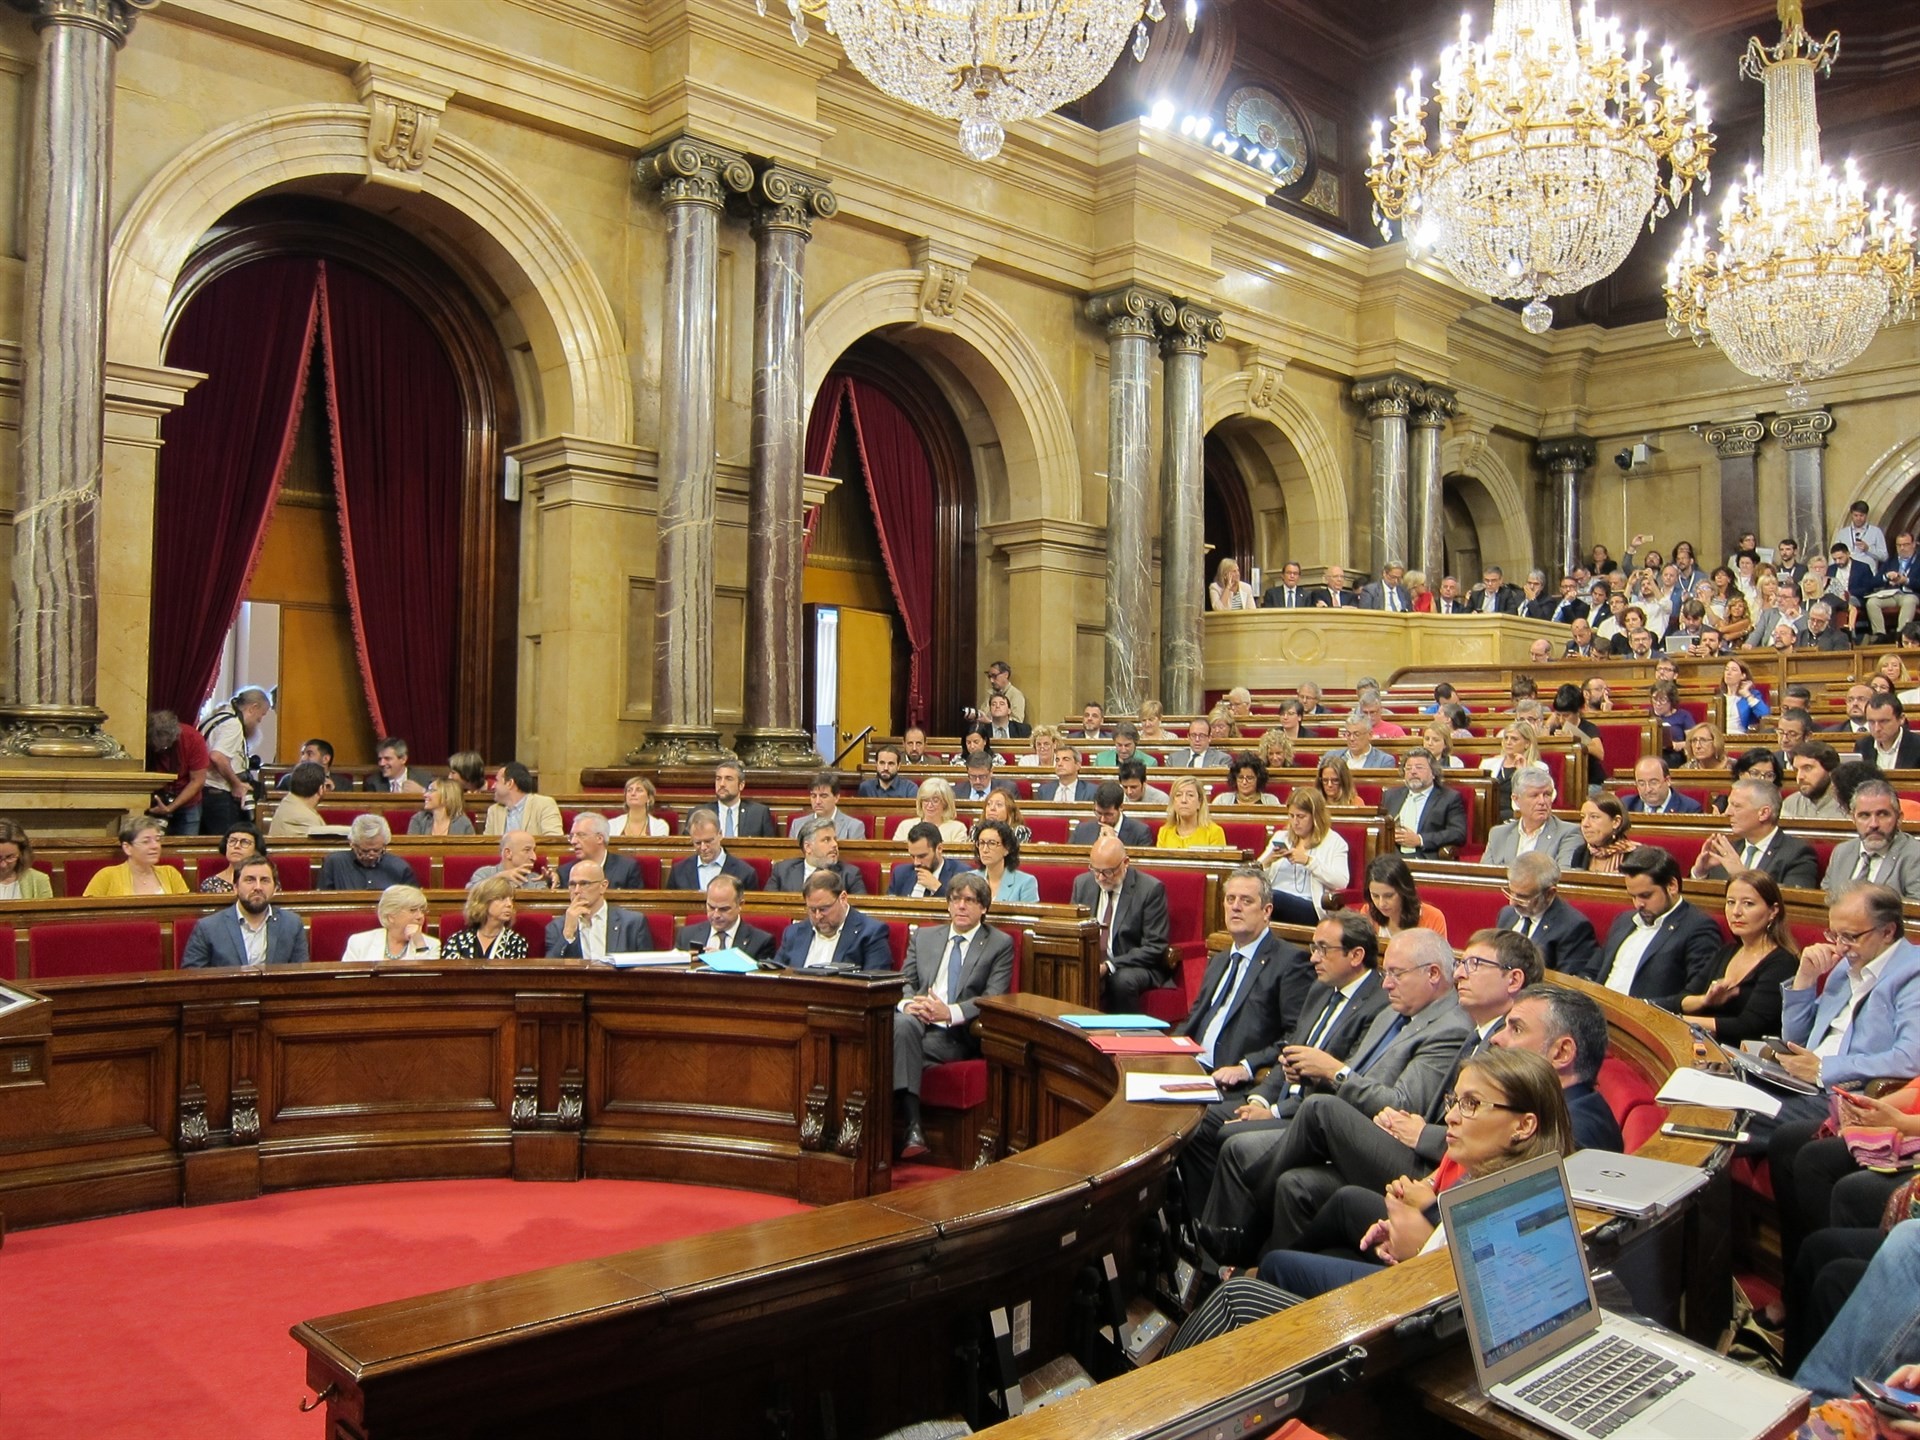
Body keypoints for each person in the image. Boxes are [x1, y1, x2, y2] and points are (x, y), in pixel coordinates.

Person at [1247, 932, 1558, 1264]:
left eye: (1474, 964)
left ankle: (1248, 1220)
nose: (1461, 973)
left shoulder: (1469, 1035)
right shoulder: (1473, 1033)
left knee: (1320, 1110)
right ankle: (1270, 1270)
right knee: (1297, 1183)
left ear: (1513, 979)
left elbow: (1478, 1129)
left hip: (1435, 1169)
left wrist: (1423, 1136)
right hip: (1421, 1155)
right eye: (1461, 963)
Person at [1193, 928, 1473, 1265]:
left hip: (1394, 1147)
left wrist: (1333, 1073)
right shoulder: (1392, 1013)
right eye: (1386, 973)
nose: (1386, 984)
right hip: (1348, 1129)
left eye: (1397, 974)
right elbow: (1353, 1077)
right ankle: (1258, 1269)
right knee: (1290, 1178)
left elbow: (1400, 1105)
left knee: (1317, 1110)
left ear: (1433, 974)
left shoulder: (1449, 1027)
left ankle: (1245, 1231)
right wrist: (1312, 1074)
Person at [892, 870, 1014, 1158]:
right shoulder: (924, 936)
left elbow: (993, 998)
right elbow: (904, 982)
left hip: (956, 1032)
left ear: (984, 907)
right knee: (903, 1026)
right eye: (956, 899)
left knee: (891, 1048)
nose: (961, 906)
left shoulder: (999, 944)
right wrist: (910, 1004)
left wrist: (949, 1012)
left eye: (970, 900)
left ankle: (903, 1127)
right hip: (916, 1019)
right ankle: (912, 1128)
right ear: (947, 904)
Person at [1179, 867, 1312, 1111]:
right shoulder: (1220, 959)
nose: (1236, 907)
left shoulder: (1290, 962)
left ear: (1266, 911)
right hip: (1191, 1069)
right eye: (1230, 899)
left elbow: (1296, 1036)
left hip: (1231, 1083)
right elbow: (1195, 1018)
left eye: (1246, 900)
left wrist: (1248, 1067)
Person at [1578, 845, 1723, 1008]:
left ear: (1672, 886)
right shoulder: (1624, 920)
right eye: (1633, 896)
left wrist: (1639, 1007)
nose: (1638, 904)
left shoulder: (1698, 928)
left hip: (1645, 1022)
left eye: (1646, 895)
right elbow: (1592, 971)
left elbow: (1695, 997)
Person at [1679, 870, 1798, 1044]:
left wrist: (1680, 1020)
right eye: (1730, 902)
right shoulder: (1726, 952)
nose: (1736, 912)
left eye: (1748, 904)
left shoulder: (1783, 962)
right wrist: (1704, 1000)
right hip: (1707, 1046)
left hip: (1747, 1059)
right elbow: (1682, 998)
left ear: (1773, 911)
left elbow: (1749, 1026)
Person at [1074, 835, 1170, 1011]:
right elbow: (1073, 931)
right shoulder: (1083, 884)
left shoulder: (1150, 889)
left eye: (1108, 872)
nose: (1101, 878)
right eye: (1095, 870)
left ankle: (1125, 1036)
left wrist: (1109, 966)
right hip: (1092, 962)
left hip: (1134, 965)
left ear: (1125, 862)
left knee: (1121, 980)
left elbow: (1155, 947)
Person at [177, 853, 307, 970]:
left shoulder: (292, 924)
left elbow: (301, 976)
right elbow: (192, 977)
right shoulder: (208, 928)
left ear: (275, 889)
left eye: (264, 880)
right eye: (249, 880)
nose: (257, 887)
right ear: (235, 888)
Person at [1691, 777, 1822, 888]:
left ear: (1764, 813)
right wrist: (1700, 873)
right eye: (1729, 805)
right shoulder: (1728, 850)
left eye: (1736, 806)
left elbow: (1794, 906)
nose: (1728, 812)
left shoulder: (1797, 853)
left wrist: (1743, 876)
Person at [1497, 852, 1598, 977]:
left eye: (1523, 897)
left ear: (1549, 893)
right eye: (1511, 893)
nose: (1512, 903)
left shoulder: (1574, 927)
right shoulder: (1507, 914)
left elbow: (1567, 986)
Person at [1258, 788, 1349, 926]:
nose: (1295, 822)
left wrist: (1308, 861)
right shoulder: (1281, 837)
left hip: (1310, 905)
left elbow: (1341, 881)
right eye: (1291, 816)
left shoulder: (1334, 842)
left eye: (1300, 817)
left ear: (1315, 817)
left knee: (1271, 897)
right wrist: (1267, 862)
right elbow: (1254, 875)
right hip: (1274, 901)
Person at [775, 870, 893, 973]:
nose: (818, 916)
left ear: (843, 898)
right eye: (812, 909)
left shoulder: (871, 933)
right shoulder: (793, 933)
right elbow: (775, 976)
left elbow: (874, 987)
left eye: (823, 909)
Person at [197, 686, 272, 833]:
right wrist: (236, 784)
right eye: (261, 715)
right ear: (253, 708)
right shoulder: (232, 724)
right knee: (225, 844)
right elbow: (217, 757)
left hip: (206, 792)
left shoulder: (216, 717)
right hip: (220, 795)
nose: (259, 721)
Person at [543, 861, 651, 959]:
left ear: (603, 886)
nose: (576, 891)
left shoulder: (633, 923)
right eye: (572, 884)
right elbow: (549, 972)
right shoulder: (556, 927)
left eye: (584, 884)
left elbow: (647, 969)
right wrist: (567, 934)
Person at [1482, 763, 1580, 868]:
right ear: (1516, 799)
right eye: (1534, 795)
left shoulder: (1568, 833)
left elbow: (1564, 875)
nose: (1542, 801)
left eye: (1547, 794)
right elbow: (1486, 876)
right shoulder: (1498, 834)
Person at [1378, 750, 1466, 860]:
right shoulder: (1391, 795)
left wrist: (1420, 840)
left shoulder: (1449, 798)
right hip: (1392, 857)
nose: (1413, 772)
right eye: (1408, 768)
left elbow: (1457, 833)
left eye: (1419, 767)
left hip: (1425, 857)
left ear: (1433, 773)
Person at [675, 874, 777, 959]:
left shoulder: (760, 941)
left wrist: (725, 960)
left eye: (724, 909)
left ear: (740, 905)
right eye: (711, 907)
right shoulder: (686, 935)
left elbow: (761, 979)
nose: (716, 915)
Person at [84, 815, 189, 897]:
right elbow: (88, 914)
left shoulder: (170, 874)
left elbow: (185, 911)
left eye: (157, 840)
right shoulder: (107, 875)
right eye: (146, 841)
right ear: (127, 847)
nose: (155, 846)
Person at [335, 883, 440, 963]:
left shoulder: (432, 945)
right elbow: (347, 981)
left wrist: (419, 944)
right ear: (391, 916)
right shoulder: (360, 942)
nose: (420, 916)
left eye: (422, 910)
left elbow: (427, 983)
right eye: (412, 910)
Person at [146, 709, 209, 835]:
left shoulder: (192, 738)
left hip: (188, 802)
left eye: (165, 747)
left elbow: (198, 781)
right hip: (155, 800)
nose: (161, 750)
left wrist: (170, 808)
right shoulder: (144, 738)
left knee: (186, 846)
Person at [769, 815, 868, 894]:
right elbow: (768, 908)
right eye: (826, 840)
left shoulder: (850, 874)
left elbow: (860, 912)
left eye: (835, 839)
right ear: (808, 847)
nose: (835, 844)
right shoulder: (782, 871)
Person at [440, 875, 531, 960]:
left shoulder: (516, 943)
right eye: (501, 898)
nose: (509, 904)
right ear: (483, 903)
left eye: (511, 899)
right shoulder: (458, 941)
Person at [666, 810, 758, 892]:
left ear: (720, 834)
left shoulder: (745, 873)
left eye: (708, 841)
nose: (703, 847)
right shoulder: (678, 871)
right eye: (698, 843)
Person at [1365, 853, 1446, 941]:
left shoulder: (1433, 917)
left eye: (1389, 896)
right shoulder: (1367, 912)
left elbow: (1438, 954)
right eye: (1375, 896)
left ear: (1404, 891)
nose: (1381, 904)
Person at [558, 811, 641, 889]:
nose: (573, 841)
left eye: (581, 835)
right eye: (572, 836)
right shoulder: (565, 872)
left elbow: (634, 903)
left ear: (600, 838)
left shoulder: (627, 868)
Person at [695, 759, 775, 839]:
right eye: (718, 779)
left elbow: (770, 848)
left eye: (729, 779)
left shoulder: (759, 814)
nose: (722, 784)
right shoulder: (700, 813)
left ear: (741, 785)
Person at [887, 820, 966, 897]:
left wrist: (937, 887)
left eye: (922, 856)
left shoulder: (960, 874)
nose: (916, 863)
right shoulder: (900, 874)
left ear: (939, 848)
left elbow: (962, 906)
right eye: (913, 856)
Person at [483, 762, 562, 837]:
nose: (493, 786)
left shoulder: (544, 805)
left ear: (509, 783)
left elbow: (553, 841)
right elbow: (487, 846)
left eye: (497, 781)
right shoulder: (494, 811)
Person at [1069, 779, 1154, 846]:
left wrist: (1114, 843)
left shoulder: (1140, 832)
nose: (1102, 820)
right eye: (1098, 813)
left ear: (1121, 807)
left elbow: (1139, 867)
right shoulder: (1081, 830)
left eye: (1108, 814)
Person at [972, 818, 1038, 904]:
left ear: (1007, 848)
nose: (985, 850)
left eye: (992, 843)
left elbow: (1030, 916)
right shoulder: (970, 879)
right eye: (981, 843)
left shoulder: (1026, 882)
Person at [1568, 792, 1637, 875]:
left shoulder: (1635, 856)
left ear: (1616, 822)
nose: (1585, 824)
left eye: (1594, 817)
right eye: (1583, 817)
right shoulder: (1581, 852)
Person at [467, 829, 556, 890]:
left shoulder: (535, 879)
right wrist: (498, 878)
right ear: (508, 853)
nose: (534, 857)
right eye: (527, 850)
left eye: (534, 850)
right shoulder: (484, 874)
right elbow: (470, 894)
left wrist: (549, 882)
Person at [1157, 775, 1227, 850]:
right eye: (1178, 795)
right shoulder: (1164, 832)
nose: (1183, 800)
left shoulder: (1214, 832)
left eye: (1190, 795)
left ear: (1199, 802)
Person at [892, 776, 968, 844]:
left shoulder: (957, 829)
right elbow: (895, 856)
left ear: (945, 803)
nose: (929, 805)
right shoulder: (905, 826)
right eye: (925, 800)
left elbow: (957, 859)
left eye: (935, 800)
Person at [1621, 754, 1700, 815]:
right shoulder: (1625, 805)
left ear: (1668, 781)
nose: (1648, 789)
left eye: (1653, 782)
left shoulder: (1690, 809)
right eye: (1641, 784)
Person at [199, 823, 267, 893]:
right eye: (232, 841)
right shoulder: (210, 884)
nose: (237, 846)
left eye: (245, 842)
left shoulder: (266, 881)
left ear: (256, 849)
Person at [1858, 695, 1920, 770]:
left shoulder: (1917, 745)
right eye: (1871, 722)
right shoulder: (1863, 745)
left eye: (1884, 721)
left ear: (1901, 719)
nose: (1877, 728)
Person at [406, 777, 474, 837]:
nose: (425, 795)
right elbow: (411, 849)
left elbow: (471, 850)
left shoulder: (463, 823)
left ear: (446, 797)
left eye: (431, 790)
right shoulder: (419, 820)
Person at [0, 820, 51, 900]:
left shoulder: (38, 880)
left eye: (10, 857)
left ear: (21, 854)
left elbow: (47, 911)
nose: (3, 865)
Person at [1720, 657, 1771, 735]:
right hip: (1718, 737)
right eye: (1726, 669)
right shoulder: (1719, 697)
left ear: (1743, 676)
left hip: (1739, 736)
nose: (1728, 673)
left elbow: (1765, 714)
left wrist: (1747, 695)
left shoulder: (1751, 695)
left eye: (1733, 670)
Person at [363, 738, 430, 793]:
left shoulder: (424, 778)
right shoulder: (372, 783)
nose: (381, 763)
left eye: (387, 758)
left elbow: (439, 799)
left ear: (403, 759)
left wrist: (423, 791)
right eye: (380, 759)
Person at [1166, 718, 1231, 769]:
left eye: (1202, 736)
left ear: (1209, 738)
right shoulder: (1173, 759)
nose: (1197, 739)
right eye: (1193, 735)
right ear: (1188, 737)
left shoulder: (1222, 760)